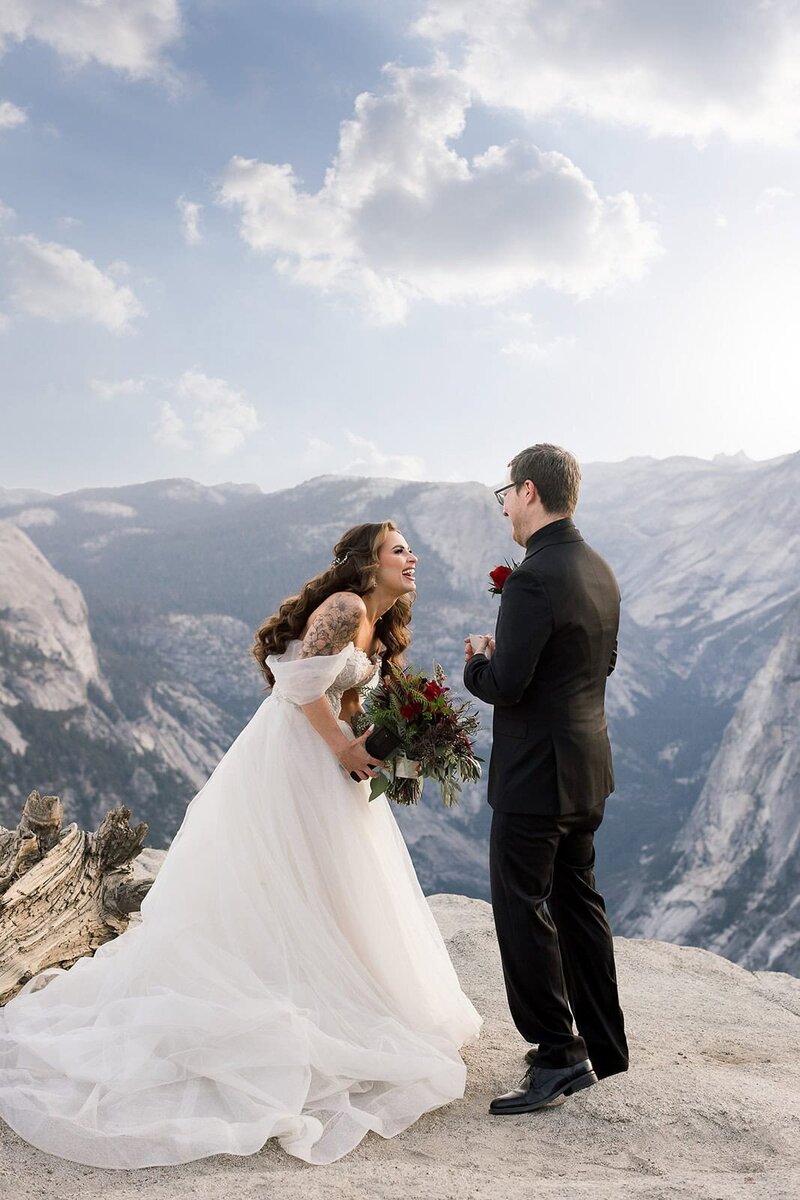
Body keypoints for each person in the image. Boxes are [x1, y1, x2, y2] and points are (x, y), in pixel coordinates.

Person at [0, 521, 481, 1168]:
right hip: (291, 762)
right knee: (286, 879)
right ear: (368, 562)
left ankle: (331, 998)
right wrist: (343, 746)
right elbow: (299, 684)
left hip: (329, 767)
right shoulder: (343, 607)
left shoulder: (375, 620)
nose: (412, 556)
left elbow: (341, 699)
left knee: (333, 885)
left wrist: (393, 747)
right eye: (399, 549)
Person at [463, 444, 628, 1114]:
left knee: (520, 906)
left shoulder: (534, 577)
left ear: (528, 491)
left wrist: (480, 661)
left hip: (536, 778)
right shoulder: (598, 567)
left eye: (506, 491)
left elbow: (507, 685)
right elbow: (602, 663)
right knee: (578, 905)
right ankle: (608, 1050)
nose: (503, 503)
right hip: (588, 770)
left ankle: (558, 1056)